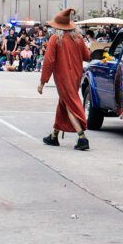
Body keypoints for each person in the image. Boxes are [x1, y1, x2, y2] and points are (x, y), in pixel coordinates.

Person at [38, 9, 91, 151]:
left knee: (69, 105)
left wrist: (42, 82)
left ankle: (82, 137)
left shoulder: (55, 39)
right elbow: (87, 56)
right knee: (64, 103)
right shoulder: (78, 38)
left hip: (63, 77)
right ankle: (54, 136)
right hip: (76, 76)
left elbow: (49, 61)